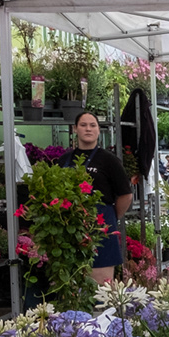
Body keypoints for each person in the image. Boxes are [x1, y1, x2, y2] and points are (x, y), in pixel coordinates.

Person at [71, 110, 133, 284]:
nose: (88, 129)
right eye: (83, 125)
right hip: (71, 227)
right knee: (73, 283)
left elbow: (126, 195)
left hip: (101, 227)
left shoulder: (109, 161)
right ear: (75, 129)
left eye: (93, 125)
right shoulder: (64, 160)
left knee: (101, 287)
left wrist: (111, 217)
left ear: (99, 130)